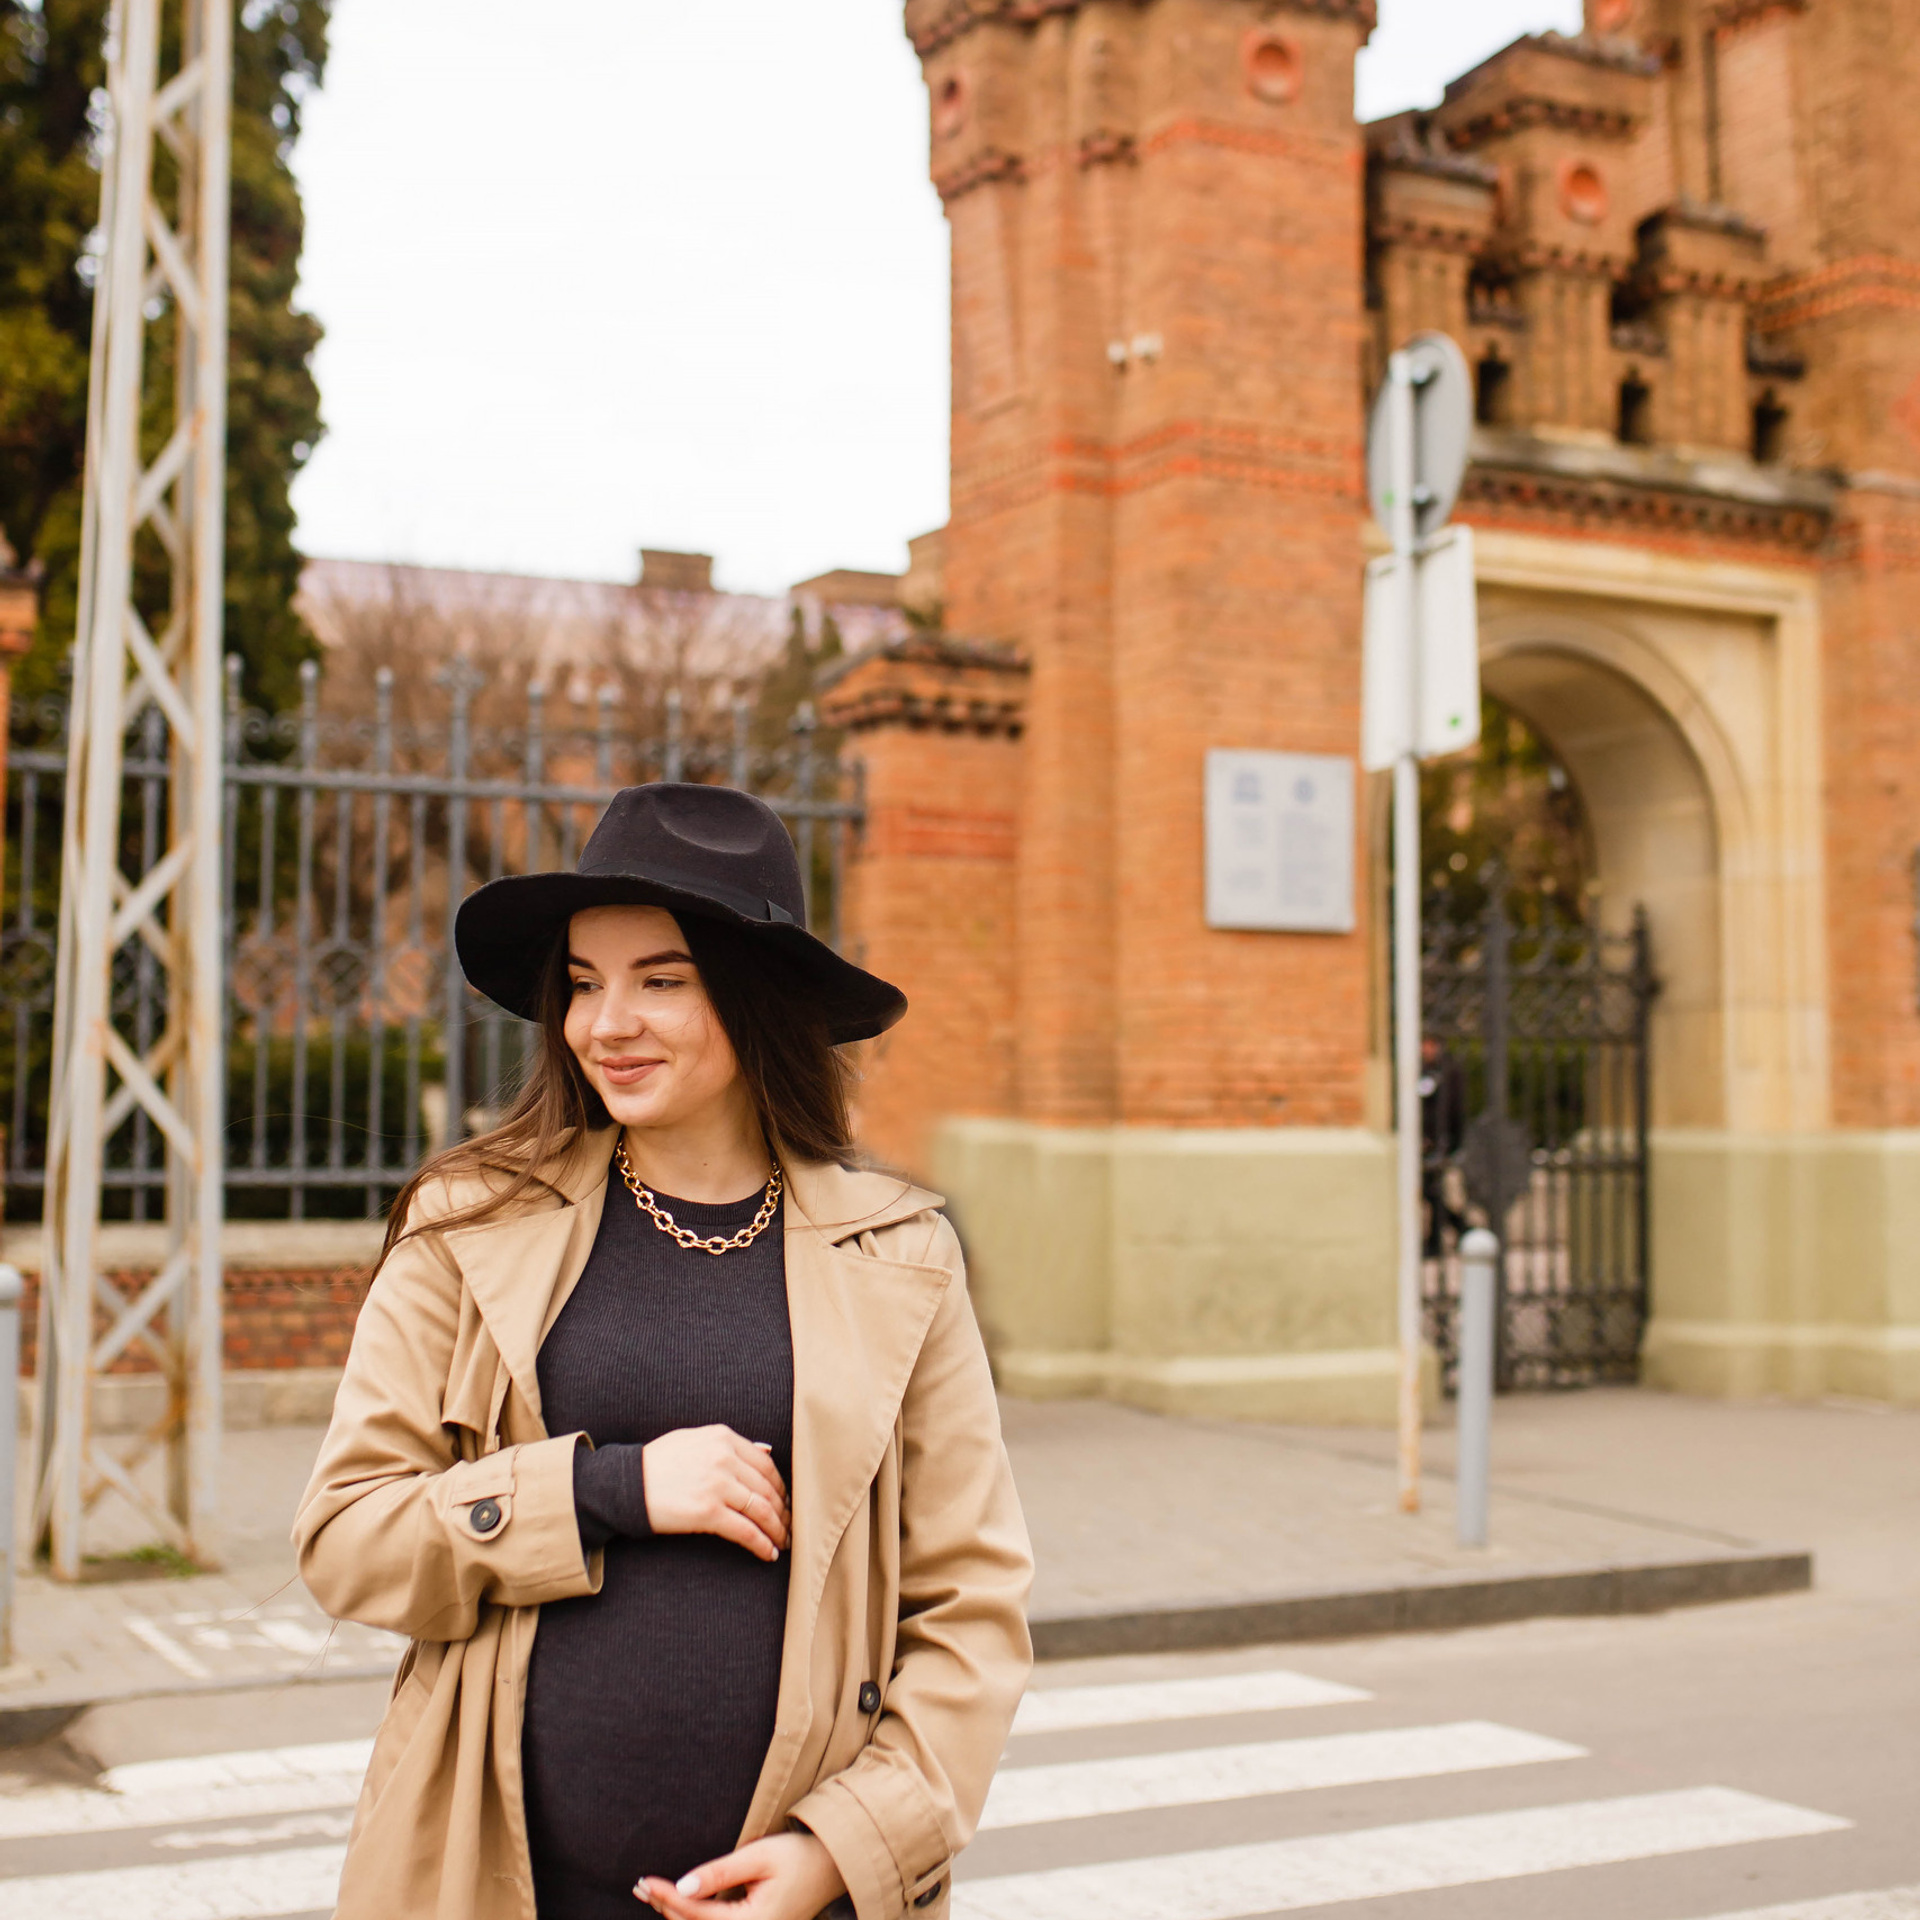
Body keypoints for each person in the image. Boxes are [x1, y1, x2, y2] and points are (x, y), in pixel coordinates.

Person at [294, 783, 1034, 1920]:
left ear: (754, 997)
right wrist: (610, 1486)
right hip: (502, 1886)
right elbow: (349, 1542)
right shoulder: (471, 1229)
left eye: (661, 980)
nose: (606, 1023)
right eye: (584, 983)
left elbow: (970, 1608)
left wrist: (840, 1852)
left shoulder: (903, 1256)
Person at [1419, 1033, 1468, 1258]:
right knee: (1430, 1192)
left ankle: (1437, 1241)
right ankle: (1462, 1228)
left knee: (1433, 1190)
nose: (1425, 1050)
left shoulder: (1450, 1071)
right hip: (1423, 1144)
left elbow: (1456, 1110)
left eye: (1429, 1045)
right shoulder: (1420, 1071)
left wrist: (1450, 1142)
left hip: (1441, 1142)